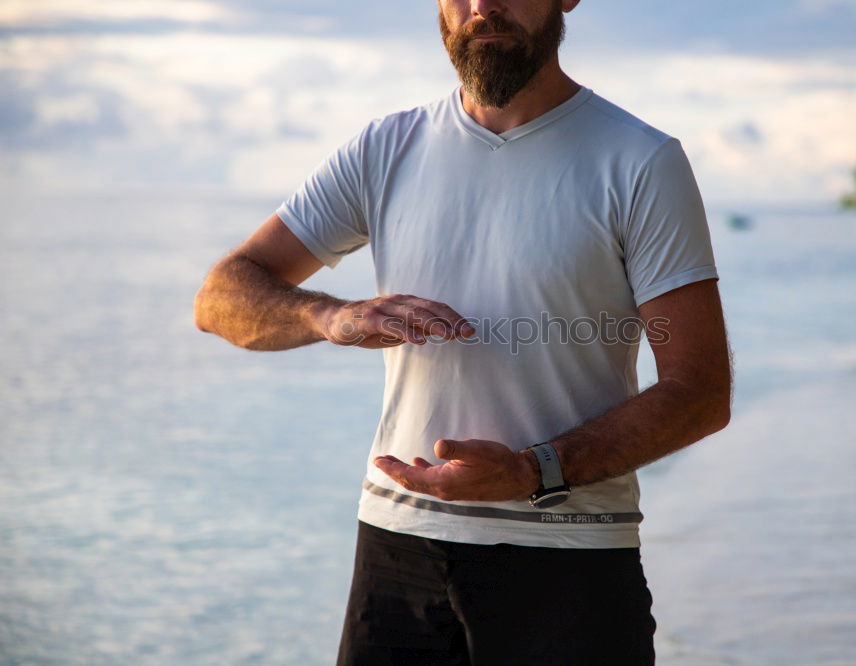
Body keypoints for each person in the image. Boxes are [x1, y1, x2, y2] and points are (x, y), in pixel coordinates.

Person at [194, 0, 732, 663]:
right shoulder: (385, 149)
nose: (483, 8)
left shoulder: (640, 162)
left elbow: (700, 391)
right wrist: (331, 316)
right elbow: (221, 295)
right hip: (396, 558)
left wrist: (533, 472)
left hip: (569, 562)